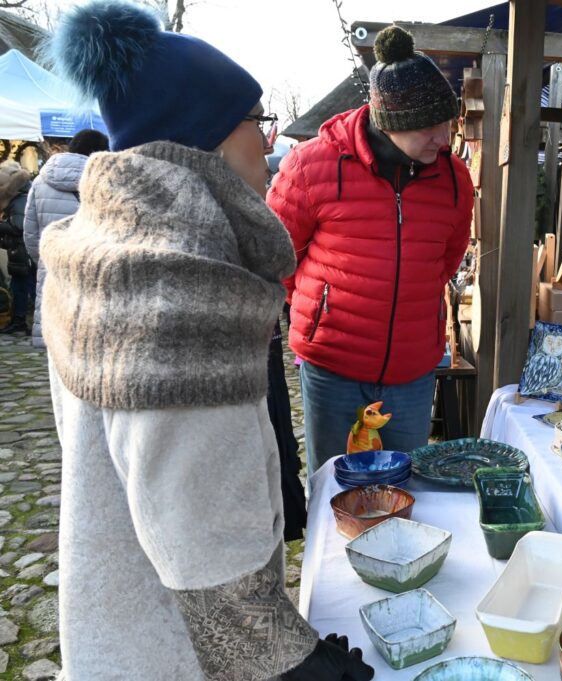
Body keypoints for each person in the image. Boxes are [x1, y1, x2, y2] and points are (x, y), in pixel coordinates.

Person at [43, 3, 373, 679]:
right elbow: (205, 554)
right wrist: (295, 662)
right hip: (171, 652)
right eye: (256, 118)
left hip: (115, 621)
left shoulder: (98, 251)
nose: (267, 136)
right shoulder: (178, 288)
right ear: (210, 138)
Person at [267, 25, 472, 484]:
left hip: (412, 368)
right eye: (429, 126)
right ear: (392, 123)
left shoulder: (456, 179)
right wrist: (318, 309)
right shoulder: (310, 165)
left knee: (404, 485)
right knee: (336, 483)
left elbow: (446, 261)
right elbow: (277, 258)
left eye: (448, 122)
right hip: (332, 364)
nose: (443, 137)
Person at [22, 129, 109, 349]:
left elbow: (30, 231)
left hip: (51, 262)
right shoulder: (102, 180)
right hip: (89, 262)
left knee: (54, 337)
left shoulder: (40, 181)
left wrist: (43, 257)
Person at [0, 160, 33, 335]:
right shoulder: (21, 195)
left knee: (23, 287)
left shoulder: (19, 198)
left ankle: (21, 322)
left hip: (23, 253)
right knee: (20, 287)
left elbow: (18, 227)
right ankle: (19, 321)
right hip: (20, 252)